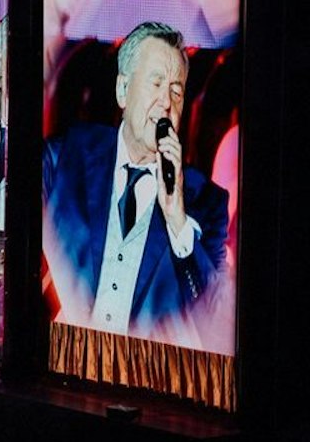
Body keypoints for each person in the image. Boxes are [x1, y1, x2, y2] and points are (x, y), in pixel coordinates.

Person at [42, 22, 230, 344]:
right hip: (66, 370)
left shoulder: (206, 200)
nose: (165, 103)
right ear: (122, 91)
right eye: (155, 83)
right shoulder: (63, 157)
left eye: (176, 90)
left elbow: (218, 319)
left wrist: (178, 224)